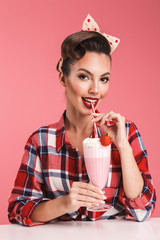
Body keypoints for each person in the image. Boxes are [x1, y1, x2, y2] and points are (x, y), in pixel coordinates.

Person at [8, 14, 156, 226]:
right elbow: (17, 210)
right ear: (63, 77)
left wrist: (122, 146)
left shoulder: (125, 132)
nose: (96, 89)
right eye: (84, 76)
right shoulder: (41, 141)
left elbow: (143, 207)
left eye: (104, 79)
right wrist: (65, 203)